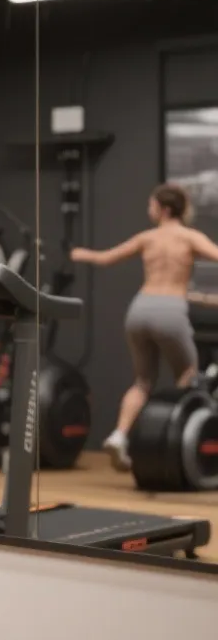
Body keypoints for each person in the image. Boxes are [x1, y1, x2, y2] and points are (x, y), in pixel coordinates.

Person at [71, 182, 218, 470]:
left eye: (151, 205)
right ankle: (179, 448)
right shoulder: (189, 237)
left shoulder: (147, 238)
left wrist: (78, 254)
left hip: (140, 309)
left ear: (164, 209)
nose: (148, 210)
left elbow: (104, 258)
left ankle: (119, 435)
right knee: (188, 377)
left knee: (142, 382)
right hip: (171, 310)